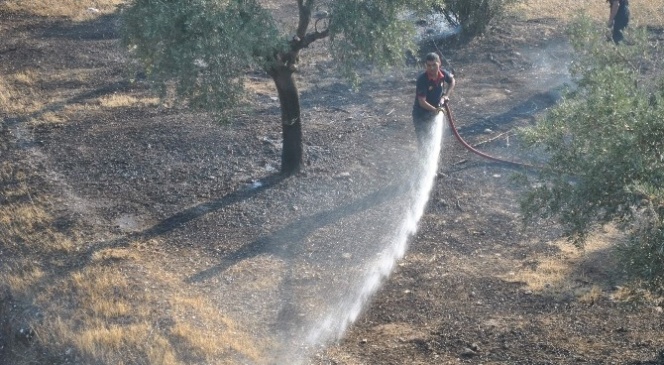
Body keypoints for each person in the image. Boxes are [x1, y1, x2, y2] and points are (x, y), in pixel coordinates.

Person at [412, 52, 456, 150]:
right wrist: (436, 110)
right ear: (425, 65)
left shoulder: (443, 74)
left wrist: (445, 96)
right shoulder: (422, 80)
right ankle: (423, 163)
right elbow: (422, 102)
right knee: (424, 144)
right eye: (429, 65)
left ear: (439, 63)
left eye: (434, 65)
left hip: (435, 112)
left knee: (434, 140)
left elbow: (452, 81)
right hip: (421, 115)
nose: (431, 68)